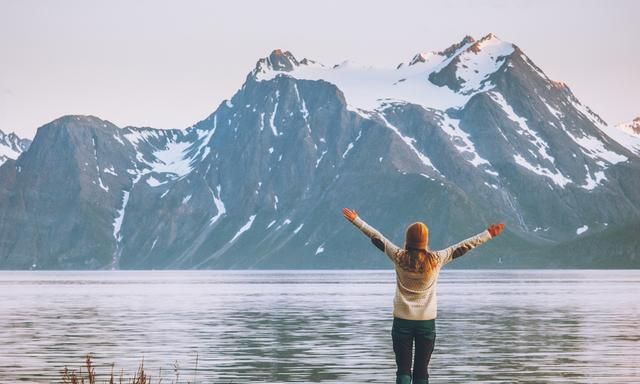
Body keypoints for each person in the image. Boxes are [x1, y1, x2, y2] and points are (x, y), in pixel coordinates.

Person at [341, 208, 504, 384]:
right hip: (426, 323)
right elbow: (464, 247)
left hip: (402, 321)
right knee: (421, 371)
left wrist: (357, 220)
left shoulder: (398, 256)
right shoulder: (436, 259)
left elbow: (376, 237)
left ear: (407, 240)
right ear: (425, 241)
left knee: (403, 370)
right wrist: (488, 234)